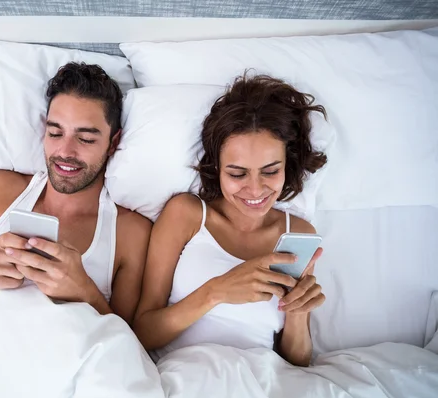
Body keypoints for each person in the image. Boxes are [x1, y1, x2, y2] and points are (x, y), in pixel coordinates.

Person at [0, 62, 152, 325]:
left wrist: (83, 290)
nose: (65, 151)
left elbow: (130, 344)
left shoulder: (131, 233)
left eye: (86, 139)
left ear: (112, 143)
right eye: (55, 133)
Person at [132, 73, 327, 366]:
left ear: (289, 164)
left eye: (270, 171)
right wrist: (216, 291)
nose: (255, 189)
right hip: (184, 378)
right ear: (217, 167)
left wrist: (298, 312)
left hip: (258, 381)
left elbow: (297, 361)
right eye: (237, 174)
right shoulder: (186, 214)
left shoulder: (298, 233)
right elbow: (143, 333)